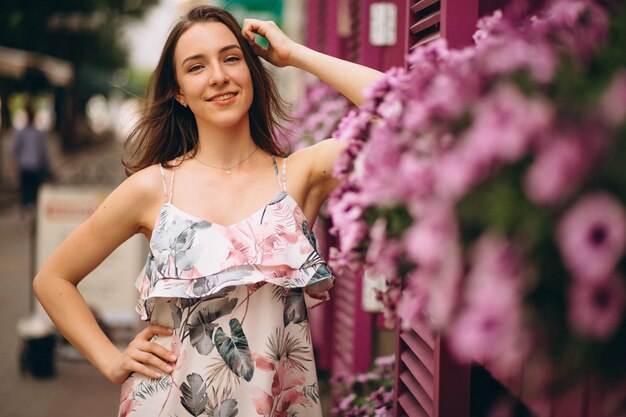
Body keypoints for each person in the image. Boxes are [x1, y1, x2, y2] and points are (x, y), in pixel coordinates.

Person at [33, 6, 383, 417]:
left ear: (252, 71)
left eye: (231, 58)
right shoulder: (153, 188)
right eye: (196, 67)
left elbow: (401, 110)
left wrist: (294, 54)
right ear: (178, 91)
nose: (219, 75)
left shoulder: (300, 175)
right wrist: (111, 360)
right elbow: (53, 278)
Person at [11, 103, 50, 217]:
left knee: (27, 190)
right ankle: (30, 210)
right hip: (33, 165)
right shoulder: (35, 133)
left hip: (27, 165)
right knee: (32, 190)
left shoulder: (25, 133)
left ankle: (28, 210)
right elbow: (43, 152)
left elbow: (15, 151)